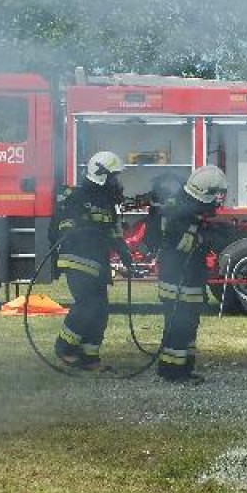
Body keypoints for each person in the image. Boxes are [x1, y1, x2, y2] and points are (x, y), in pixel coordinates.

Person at [52, 151, 133, 369]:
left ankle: (89, 357)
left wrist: (124, 253)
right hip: (78, 259)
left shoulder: (106, 201)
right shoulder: (78, 196)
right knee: (88, 305)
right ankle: (65, 347)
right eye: (114, 177)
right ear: (101, 175)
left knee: (100, 309)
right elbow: (65, 225)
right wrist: (83, 229)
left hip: (97, 261)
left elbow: (113, 231)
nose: (117, 182)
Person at [146, 166, 228, 382]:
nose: (218, 200)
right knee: (180, 326)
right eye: (216, 194)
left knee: (185, 325)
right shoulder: (185, 213)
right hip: (180, 280)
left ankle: (179, 369)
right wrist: (206, 237)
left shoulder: (184, 206)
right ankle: (174, 373)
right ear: (205, 192)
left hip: (181, 277)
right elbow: (183, 245)